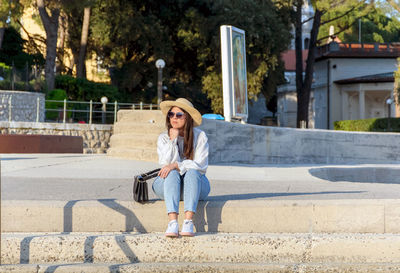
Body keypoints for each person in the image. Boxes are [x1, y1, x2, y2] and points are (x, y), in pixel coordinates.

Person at [152, 98, 210, 237]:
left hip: (195, 186)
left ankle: (188, 222)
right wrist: (173, 140)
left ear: (187, 117)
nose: (174, 118)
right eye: (171, 114)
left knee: (192, 172)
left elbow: (200, 165)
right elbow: (165, 163)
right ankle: (172, 223)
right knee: (171, 172)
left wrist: (177, 165)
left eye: (179, 115)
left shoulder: (200, 136)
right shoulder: (163, 137)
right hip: (169, 186)